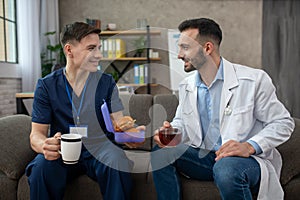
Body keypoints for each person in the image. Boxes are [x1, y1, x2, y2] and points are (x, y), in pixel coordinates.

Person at [151, 18, 295, 200]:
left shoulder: (253, 80)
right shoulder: (187, 85)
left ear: (208, 48)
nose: (179, 55)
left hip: (245, 162)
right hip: (206, 158)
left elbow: (283, 123)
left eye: (185, 47)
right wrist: (172, 132)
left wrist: (249, 146)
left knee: (225, 168)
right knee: (160, 153)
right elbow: (182, 121)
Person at [26, 22, 144, 200]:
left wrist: (130, 135)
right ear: (69, 50)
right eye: (91, 48)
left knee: (116, 161)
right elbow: (36, 134)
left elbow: (119, 122)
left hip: (100, 148)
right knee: (41, 168)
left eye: (99, 48)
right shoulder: (46, 86)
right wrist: (44, 145)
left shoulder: (106, 82)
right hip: (63, 149)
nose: (98, 55)